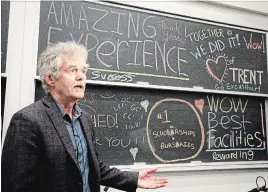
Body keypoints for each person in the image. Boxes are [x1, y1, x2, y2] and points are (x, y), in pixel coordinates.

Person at [1, 41, 168, 192]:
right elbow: (16, 186)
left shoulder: (85, 119)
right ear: (51, 78)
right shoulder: (28, 120)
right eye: (73, 70)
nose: (81, 76)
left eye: (83, 70)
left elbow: (93, 167)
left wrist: (132, 179)